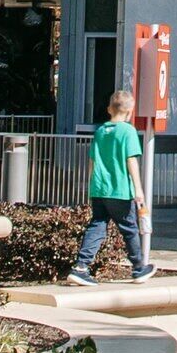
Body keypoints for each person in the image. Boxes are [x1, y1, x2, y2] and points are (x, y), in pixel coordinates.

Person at [67, 88, 154, 282]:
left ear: (109, 109)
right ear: (130, 112)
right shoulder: (128, 131)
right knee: (129, 228)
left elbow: (92, 161)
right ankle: (139, 267)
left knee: (97, 225)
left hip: (99, 189)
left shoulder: (100, 131)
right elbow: (131, 160)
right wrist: (138, 189)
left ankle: (81, 266)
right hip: (120, 190)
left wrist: (90, 185)